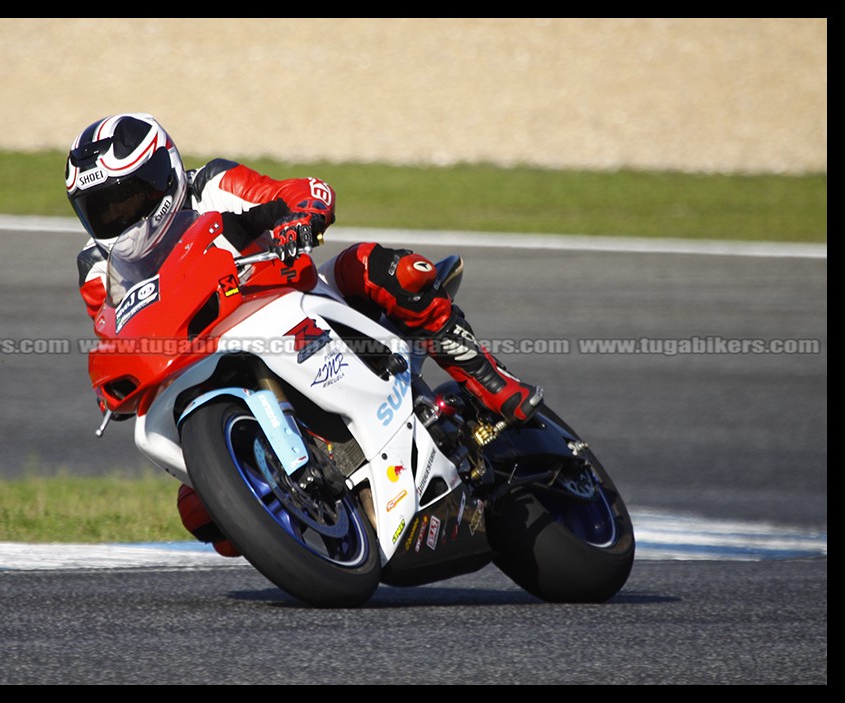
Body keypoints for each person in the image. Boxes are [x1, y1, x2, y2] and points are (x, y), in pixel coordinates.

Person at [65, 112, 543, 556]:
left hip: (292, 298)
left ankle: (492, 380)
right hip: (203, 354)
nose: (121, 218)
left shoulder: (210, 184)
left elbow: (304, 190)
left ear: (164, 175)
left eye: (129, 199)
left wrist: (301, 217)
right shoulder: (96, 264)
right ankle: (319, 521)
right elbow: (116, 331)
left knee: (390, 270)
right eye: (102, 210)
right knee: (200, 511)